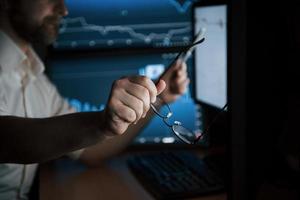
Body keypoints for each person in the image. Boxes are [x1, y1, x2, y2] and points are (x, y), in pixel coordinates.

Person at [0, 0, 190, 199]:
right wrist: (101, 124)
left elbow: (90, 151)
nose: (63, 10)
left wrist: (158, 100)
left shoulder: (36, 79)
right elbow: (6, 139)